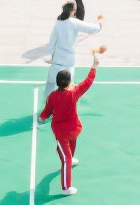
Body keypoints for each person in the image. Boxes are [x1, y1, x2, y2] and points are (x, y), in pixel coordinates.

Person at [39, 50, 100, 197]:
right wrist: (94, 65)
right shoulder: (74, 92)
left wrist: (42, 117)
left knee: (66, 158)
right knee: (69, 149)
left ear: (58, 82)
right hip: (73, 129)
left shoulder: (53, 96)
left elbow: (47, 110)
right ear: (69, 82)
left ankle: (66, 186)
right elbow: (88, 81)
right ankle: (67, 173)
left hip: (61, 132)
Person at [43, 0, 103, 101]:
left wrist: (51, 55)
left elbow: (52, 40)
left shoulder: (58, 23)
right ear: (72, 11)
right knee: (68, 88)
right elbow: (93, 29)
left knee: (50, 84)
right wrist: (100, 23)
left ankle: (46, 107)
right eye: (75, 10)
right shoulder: (74, 22)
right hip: (69, 62)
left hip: (57, 60)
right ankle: (67, 106)